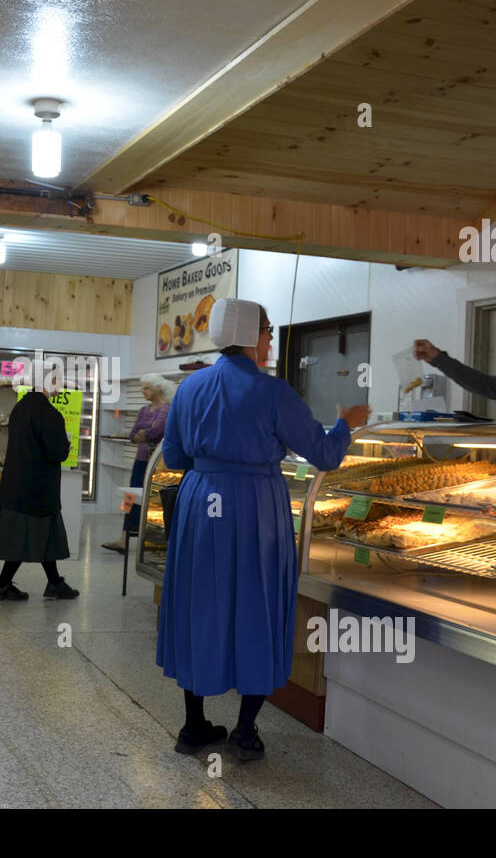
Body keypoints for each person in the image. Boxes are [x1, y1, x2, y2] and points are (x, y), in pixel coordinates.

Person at [157, 299, 370, 762]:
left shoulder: (189, 388)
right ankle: (245, 731)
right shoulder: (273, 393)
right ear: (253, 336)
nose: (271, 340)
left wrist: (214, 462)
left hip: (200, 504)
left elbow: (173, 458)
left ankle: (193, 726)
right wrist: (346, 424)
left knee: (200, 604)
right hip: (255, 509)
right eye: (269, 331)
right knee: (257, 605)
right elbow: (325, 456)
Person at [0, 377, 78, 601]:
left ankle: (52, 583)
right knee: (35, 535)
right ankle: (4, 585)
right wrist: (67, 446)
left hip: (16, 485)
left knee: (36, 537)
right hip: (38, 489)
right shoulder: (50, 414)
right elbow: (56, 452)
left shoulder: (20, 407)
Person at [102, 373, 173, 553]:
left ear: (158, 388)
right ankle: (124, 537)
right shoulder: (144, 410)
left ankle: (152, 540)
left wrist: (144, 433)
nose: (143, 391)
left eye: (147, 387)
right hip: (141, 460)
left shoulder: (166, 409)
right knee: (130, 497)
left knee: (155, 500)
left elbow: (156, 430)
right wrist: (144, 434)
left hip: (157, 464)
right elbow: (135, 433)